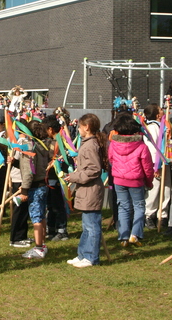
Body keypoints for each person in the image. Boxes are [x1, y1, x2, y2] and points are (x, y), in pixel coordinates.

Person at [65, 113, 107, 268]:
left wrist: (75, 177)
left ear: (86, 127)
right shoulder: (88, 143)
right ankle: (82, 253)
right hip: (86, 190)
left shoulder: (90, 145)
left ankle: (91, 257)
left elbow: (94, 170)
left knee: (92, 225)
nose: (78, 129)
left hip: (91, 190)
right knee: (86, 225)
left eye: (80, 126)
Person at [108, 113, 154, 247]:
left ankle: (123, 236)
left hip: (119, 180)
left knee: (123, 207)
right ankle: (135, 234)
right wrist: (149, 181)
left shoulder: (113, 144)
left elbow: (111, 160)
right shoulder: (141, 146)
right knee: (139, 206)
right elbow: (147, 167)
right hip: (136, 181)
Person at [19, 120, 52, 259]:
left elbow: (28, 171)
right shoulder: (43, 146)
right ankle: (42, 244)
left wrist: (24, 189)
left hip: (34, 186)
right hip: (43, 184)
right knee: (42, 215)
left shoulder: (29, 147)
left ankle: (38, 247)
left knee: (36, 217)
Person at [142, 103, 169, 229]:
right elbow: (152, 147)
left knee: (166, 191)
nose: (163, 112)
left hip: (166, 162)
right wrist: (155, 165)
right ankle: (149, 215)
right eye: (161, 110)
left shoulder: (164, 126)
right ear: (158, 115)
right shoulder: (153, 127)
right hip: (156, 163)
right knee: (155, 190)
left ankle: (162, 215)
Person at [44, 116, 70, 242]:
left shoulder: (60, 142)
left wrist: (55, 162)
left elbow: (64, 159)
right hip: (48, 178)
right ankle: (51, 228)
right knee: (50, 205)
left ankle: (62, 230)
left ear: (50, 129)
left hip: (57, 178)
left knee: (58, 205)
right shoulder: (48, 141)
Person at [8, 124, 31, 248]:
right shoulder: (21, 142)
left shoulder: (23, 141)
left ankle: (22, 235)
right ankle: (16, 238)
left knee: (23, 211)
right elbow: (18, 160)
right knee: (19, 210)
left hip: (23, 179)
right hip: (19, 179)